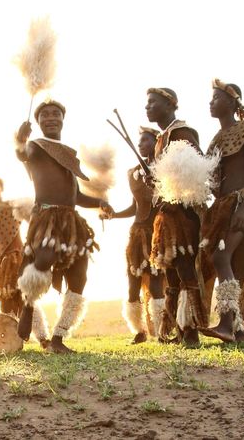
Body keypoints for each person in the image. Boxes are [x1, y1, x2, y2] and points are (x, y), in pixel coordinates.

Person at [14, 99, 113, 354]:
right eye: (45, 114)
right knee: (44, 259)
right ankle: (28, 306)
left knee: (79, 277)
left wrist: (99, 202)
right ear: (38, 122)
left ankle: (58, 338)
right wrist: (20, 140)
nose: (51, 117)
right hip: (47, 219)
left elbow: (75, 195)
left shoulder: (68, 154)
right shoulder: (36, 147)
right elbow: (22, 154)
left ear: (62, 119)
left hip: (72, 221)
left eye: (55, 114)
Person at [199, 80, 244, 343]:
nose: (210, 102)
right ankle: (240, 332)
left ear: (231, 102)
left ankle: (226, 324)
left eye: (216, 98)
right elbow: (212, 182)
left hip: (239, 203)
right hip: (221, 207)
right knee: (223, 263)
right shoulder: (216, 139)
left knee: (221, 258)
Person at [145, 88, 208, 347]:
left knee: (185, 269)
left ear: (170, 105)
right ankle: (176, 329)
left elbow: (198, 170)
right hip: (166, 214)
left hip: (182, 214)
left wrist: (175, 192)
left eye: (152, 102)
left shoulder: (182, 132)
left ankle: (191, 331)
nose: (147, 107)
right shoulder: (162, 137)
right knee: (171, 274)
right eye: (147, 103)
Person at [102, 127, 166, 344]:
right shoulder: (133, 173)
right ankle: (139, 331)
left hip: (156, 234)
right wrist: (114, 215)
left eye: (146, 140)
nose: (141, 144)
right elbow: (134, 207)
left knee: (156, 283)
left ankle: (161, 330)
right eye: (139, 141)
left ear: (157, 143)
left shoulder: (165, 171)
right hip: (136, 234)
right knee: (132, 284)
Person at [0, 174, 50, 348]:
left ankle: (42, 338)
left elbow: (36, 220)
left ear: (1, 188)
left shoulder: (14, 207)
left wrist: (33, 246)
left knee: (27, 298)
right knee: (5, 302)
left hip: (19, 259)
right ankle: (8, 342)